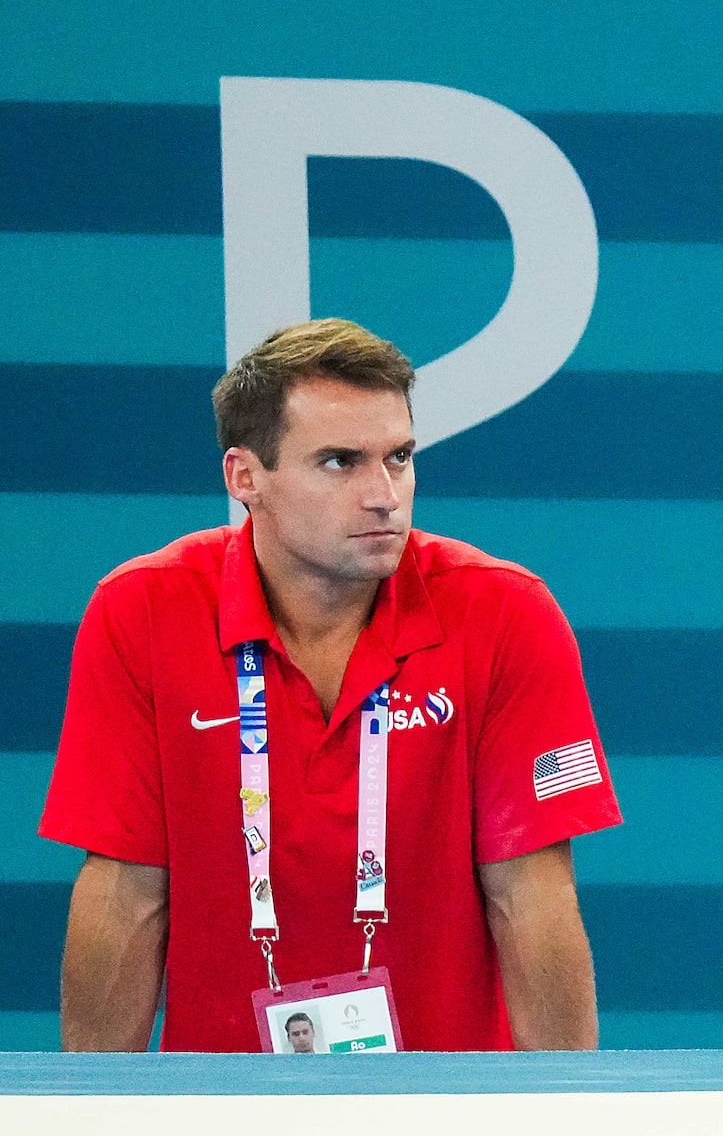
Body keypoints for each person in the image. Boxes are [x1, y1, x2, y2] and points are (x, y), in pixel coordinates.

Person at [45, 319, 620, 1052]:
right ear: (244, 477)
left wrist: (564, 1114)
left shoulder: (504, 612)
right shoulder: (142, 611)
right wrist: (97, 1117)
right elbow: (127, 894)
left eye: (400, 457)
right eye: (340, 462)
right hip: (221, 1110)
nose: (385, 495)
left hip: (451, 1109)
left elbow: (531, 895)